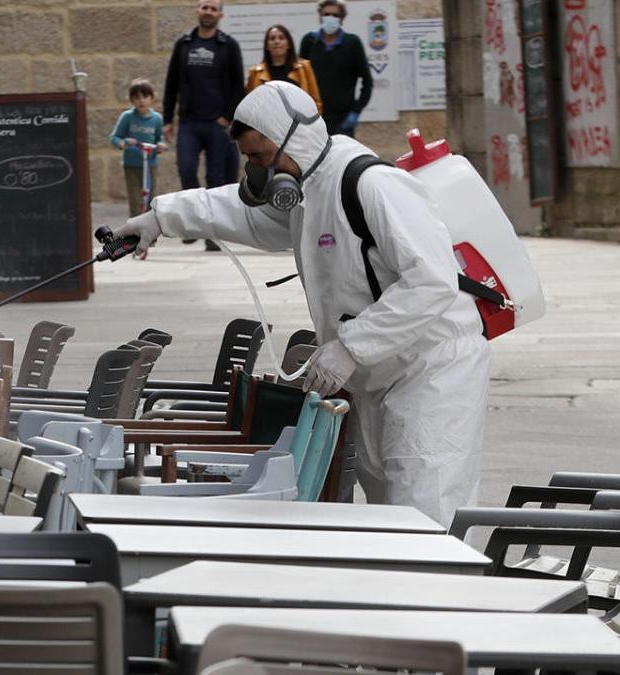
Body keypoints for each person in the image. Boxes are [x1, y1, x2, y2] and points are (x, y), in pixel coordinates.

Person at [110, 81, 489, 527]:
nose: (255, 171)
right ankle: (400, 593)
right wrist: (161, 217)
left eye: (260, 157)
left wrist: (351, 346)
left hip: (432, 368)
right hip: (378, 374)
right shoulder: (306, 193)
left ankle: (444, 596)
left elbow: (433, 281)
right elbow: (241, 211)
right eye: (248, 159)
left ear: (294, 140)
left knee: (426, 502)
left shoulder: (371, 184)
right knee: (390, 510)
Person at [162, 0, 245, 251]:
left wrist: (228, 117)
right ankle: (196, 222)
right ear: (197, 11)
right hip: (189, 122)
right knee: (186, 170)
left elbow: (237, 85)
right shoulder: (184, 44)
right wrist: (167, 118)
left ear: (220, 14)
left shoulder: (228, 45)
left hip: (217, 125)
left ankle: (212, 233)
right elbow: (172, 82)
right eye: (204, 7)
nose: (208, 12)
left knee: (216, 180)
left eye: (212, 8)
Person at [299, 0, 373, 137]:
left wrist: (356, 111)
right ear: (320, 16)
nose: (330, 18)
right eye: (327, 14)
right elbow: (299, 77)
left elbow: (367, 81)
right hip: (313, 119)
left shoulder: (352, 43)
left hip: (343, 121)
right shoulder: (309, 42)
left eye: (335, 15)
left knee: (343, 157)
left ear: (342, 18)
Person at [110, 79, 168, 218]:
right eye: (137, 98)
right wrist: (123, 143)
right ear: (132, 100)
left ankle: (149, 233)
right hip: (132, 165)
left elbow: (161, 139)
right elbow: (115, 137)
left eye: (145, 97)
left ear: (151, 98)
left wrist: (161, 146)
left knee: (150, 199)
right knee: (135, 200)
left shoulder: (157, 119)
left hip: (150, 165)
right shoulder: (127, 117)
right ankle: (134, 232)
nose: (141, 101)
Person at [246, 25, 323, 112]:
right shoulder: (255, 73)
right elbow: (250, 107)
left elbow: (316, 102)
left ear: (289, 44)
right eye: (272, 39)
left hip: (300, 123)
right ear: (267, 46)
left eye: (281, 38)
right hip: (267, 123)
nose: (277, 41)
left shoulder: (304, 68)